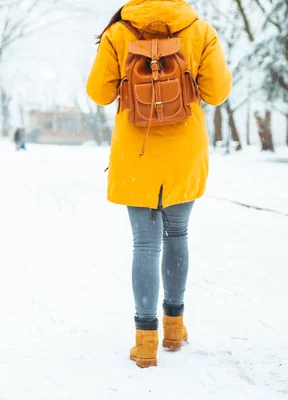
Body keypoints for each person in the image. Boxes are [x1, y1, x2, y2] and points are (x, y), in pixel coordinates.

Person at [86, 0, 231, 368]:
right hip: (184, 149)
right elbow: (217, 92)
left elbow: (98, 93)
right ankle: (174, 328)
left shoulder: (119, 32)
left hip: (137, 151)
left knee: (145, 245)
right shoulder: (200, 30)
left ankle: (145, 341)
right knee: (177, 234)